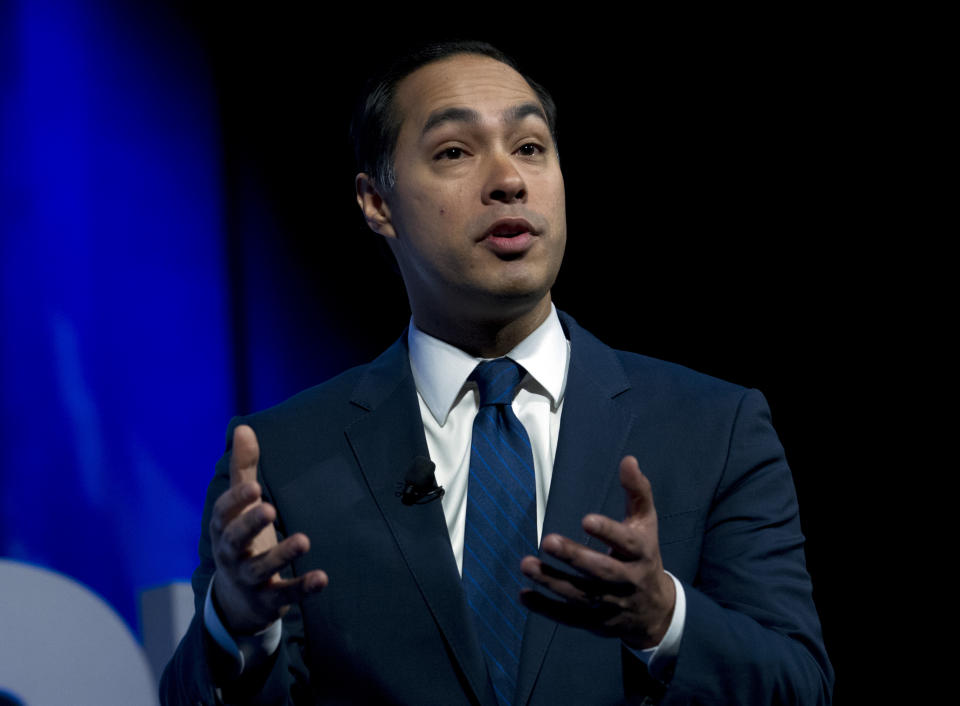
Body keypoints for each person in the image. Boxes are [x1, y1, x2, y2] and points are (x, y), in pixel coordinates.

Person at [161, 41, 833, 705]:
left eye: (531, 147)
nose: (509, 179)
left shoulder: (715, 427)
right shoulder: (284, 456)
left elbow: (800, 688)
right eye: (455, 152)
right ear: (377, 203)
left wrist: (663, 619)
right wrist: (240, 624)